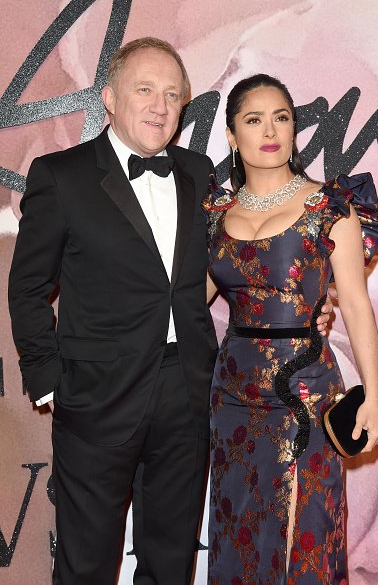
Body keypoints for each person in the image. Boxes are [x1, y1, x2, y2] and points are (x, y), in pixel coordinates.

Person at [8, 38, 330, 585]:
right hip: (96, 400)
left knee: (171, 561)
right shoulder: (61, 176)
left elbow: (238, 265)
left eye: (173, 95)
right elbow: (27, 287)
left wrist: (304, 311)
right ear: (108, 98)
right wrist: (49, 381)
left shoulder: (199, 173)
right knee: (85, 565)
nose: (160, 105)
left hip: (188, 395)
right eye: (145, 90)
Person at [203, 74, 378, 584]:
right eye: (254, 119)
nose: (270, 130)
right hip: (233, 393)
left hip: (305, 389)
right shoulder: (214, 214)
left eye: (281, 117)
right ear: (233, 136)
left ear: (294, 129)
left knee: (303, 524)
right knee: (237, 523)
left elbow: (354, 303)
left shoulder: (329, 206)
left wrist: (373, 395)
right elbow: (190, 302)